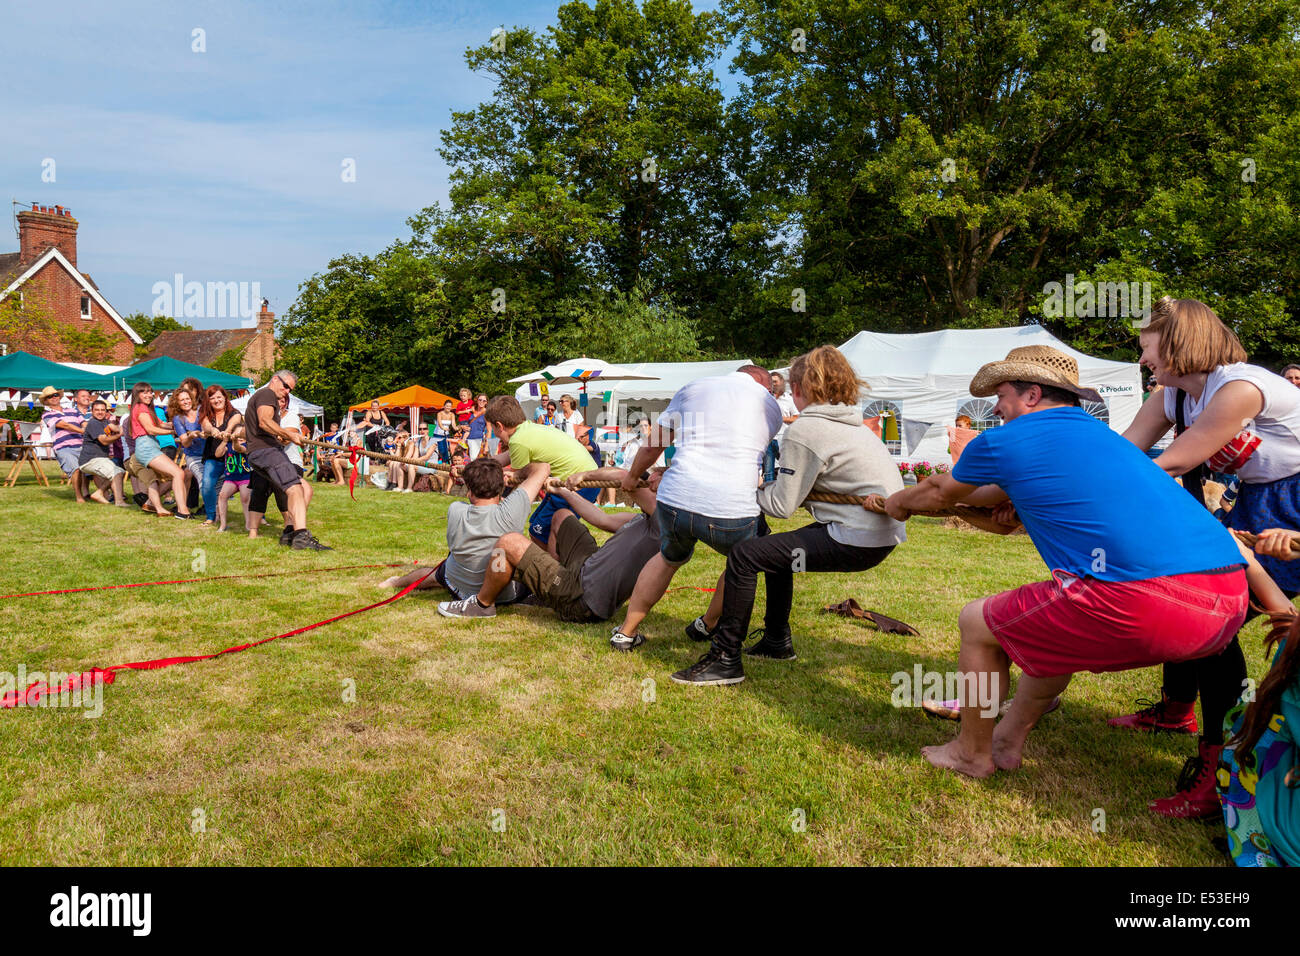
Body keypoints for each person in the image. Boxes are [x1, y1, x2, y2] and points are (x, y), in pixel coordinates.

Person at [881, 344, 1248, 779]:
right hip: (1226, 603)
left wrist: (898, 502)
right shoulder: (1103, 439)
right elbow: (989, 495)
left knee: (977, 624)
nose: (996, 408)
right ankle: (1006, 741)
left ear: (1032, 395)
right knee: (1053, 628)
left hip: (1148, 604)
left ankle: (969, 754)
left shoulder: (1004, 440)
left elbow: (942, 491)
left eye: (1002, 395)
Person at [1117, 297, 1300, 817]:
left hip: (1293, 504)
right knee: (1188, 595)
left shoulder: (1239, 387)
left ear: (1177, 343)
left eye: (1147, 348)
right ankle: (1177, 712)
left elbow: (1171, 462)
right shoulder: (1172, 396)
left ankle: (1221, 767)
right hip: (1261, 501)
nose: (1144, 361)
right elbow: (1126, 452)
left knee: (1210, 619)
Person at [673, 346, 906, 685]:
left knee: (744, 556)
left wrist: (741, 489)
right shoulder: (852, 426)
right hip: (880, 536)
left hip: (858, 537)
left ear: (797, 389)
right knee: (775, 555)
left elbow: (781, 507)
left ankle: (724, 659)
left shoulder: (808, 429)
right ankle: (776, 641)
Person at [612, 365, 783, 652]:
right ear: (764, 386)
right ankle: (707, 623)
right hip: (731, 509)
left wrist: (632, 478)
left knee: (668, 559)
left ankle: (626, 633)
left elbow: (656, 445)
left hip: (676, 500)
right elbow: (735, 453)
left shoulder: (694, 388)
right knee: (742, 563)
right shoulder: (770, 406)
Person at [438, 467, 662, 622]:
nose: (651, 481)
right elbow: (601, 518)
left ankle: (482, 604)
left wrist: (584, 475)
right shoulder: (643, 520)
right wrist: (563, 491)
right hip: (584, 572)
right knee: (562, 515)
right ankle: (547, 589)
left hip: (582, 599)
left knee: (508, 542)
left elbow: (626, 477)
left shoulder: (663, 520)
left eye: (656, 480)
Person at [1217, 533, 1300, 866]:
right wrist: (1246, 557)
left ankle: (1258, 825)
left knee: (1250, 727)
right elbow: (1288, 620)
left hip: (1287, 832)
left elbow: (1288, 625)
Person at [381, 457, 550, 601]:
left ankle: (395, 582)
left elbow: (476, 501)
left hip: (458, 589)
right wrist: (517, 475)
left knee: (437, 573)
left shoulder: (455, 509)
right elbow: (543, 467)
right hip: (501, 596)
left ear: (469, 491)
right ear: (500, 487)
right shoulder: (512, 510)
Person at [484, 395, 605, 550]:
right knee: (536, 525)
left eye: (493, 428)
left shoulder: (517, 441)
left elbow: (517, 478)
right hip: (581, 477)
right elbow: (506, 458)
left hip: (578, 484)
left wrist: (501, 495)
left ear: (499, 426)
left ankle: (557, 570)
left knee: (539, 534)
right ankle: (556, 564)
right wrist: (480, 465)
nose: (494, 432)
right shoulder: (527, 428)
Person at [243, 370, 329, 550]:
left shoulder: (264, 397)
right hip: (266, 451)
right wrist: (288, 434)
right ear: (275, 379)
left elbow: (263, 426)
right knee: (295, 489)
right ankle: (300, 537)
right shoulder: (266, 393)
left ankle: (289, 531)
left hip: (263, 452)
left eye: (290, 389)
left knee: (304, 488)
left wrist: (283, 437)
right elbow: (264, 421)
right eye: (286, 386)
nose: (287, 391)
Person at [127, 382, 194, 518]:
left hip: (150, 446)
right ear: (137, 394)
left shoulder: (147, 409)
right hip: (146, 447)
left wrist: (180, 423)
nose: (148, 395)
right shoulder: (140, 408)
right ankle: (182, 511)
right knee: (178, 473)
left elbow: (163, 424)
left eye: (150, 392)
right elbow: (151, 429)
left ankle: (159, 505)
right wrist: (175, 432)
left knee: (173, 475)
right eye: (144, 392)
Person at [77, 399, 130, 507]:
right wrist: (119, 435)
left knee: (118, 472)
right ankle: (118, 501)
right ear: (91, 411)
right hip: (91, 460)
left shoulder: (104, 422)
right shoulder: (93, 423)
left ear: (106, 411)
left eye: (102, 410)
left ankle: (102, 494)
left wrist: (124, 427)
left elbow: (115, 427)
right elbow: (103, 440)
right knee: (117, 472)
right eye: (97, 410)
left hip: (99, 459)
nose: (100, 412)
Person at [38, 386, 88, 501]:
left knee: (87, 469)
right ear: (46, 401)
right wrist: (82, 431)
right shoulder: (47, 414)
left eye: (55, 395)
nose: (54, 397)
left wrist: (86, 429)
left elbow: (83, 422)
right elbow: (64, 425)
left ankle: (92, 493)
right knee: (75, 469)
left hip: (81, 444)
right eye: (50, 396)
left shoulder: (73, 410)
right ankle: (79, 496)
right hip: (63, 447)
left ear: (59, 396)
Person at [198, 386, 238, 523]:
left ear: (225, 397)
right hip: (213, 457)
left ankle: (258, 516)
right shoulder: (206, 415)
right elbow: (206, 426)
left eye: (219, 397)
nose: (216, 400)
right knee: (207, 484)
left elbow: (235, 421)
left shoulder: (234, 413)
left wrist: (227, 430)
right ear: (208, 401)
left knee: (246, 484)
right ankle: (211, 516)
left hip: (233, 457)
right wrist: (213, 430)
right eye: (212, 398)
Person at [170, 388, 206, 515]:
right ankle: (183, 506)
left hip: (209, 452)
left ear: (192, 399)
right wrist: (191, 436)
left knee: (187, 475)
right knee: (200, 478)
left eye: (187, 398)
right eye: (181, 400)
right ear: (177, 403)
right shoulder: (178, 419)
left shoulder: (202, 410)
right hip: (194, 455)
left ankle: (185, 505)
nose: (185, 402)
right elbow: (184, 442)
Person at [279, 393, 314, 511]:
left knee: (306, 490)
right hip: (272, 462)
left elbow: (286, 440)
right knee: (260, 491)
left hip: (292, 461)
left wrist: (279, 435)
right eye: (277, 400)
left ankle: (295, 520)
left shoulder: (292, 416)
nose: (280, 403)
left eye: (283, 401)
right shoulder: (266, 417)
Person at [763, 371, 799, 482]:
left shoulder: (788, 399)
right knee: (768, 471)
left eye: (775, 381)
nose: (773, 384)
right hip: (768, 439)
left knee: (787, 470)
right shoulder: (766, 398)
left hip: (784, 438)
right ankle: (767, 496)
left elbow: (797, 417)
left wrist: (781, 418)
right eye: (771, 382)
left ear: (781, 382)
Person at [217, 435, 253, 532]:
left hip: (245, 477)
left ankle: (248, 525)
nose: (240, 438)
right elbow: (217, 454)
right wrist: (224, 441)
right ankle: (223, 525)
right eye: (238, 435)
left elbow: (239, 449)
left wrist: (235, 440)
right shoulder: (227, 445)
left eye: (242, 436)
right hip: (231, 477)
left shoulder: (247, 445)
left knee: (245, 497)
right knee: (222, 495)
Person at [466, 395, 492, 460]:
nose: (481, 402)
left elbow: (489, 431)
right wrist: (462, 426)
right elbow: (464, 422)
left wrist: (486, 446)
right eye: (480, 400)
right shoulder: (471, 410)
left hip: (477, 439)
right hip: (465, 438)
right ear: (477, 400)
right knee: (463, 460)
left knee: (473, 459)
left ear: (486, 402)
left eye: (484, 400)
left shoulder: (486, 414)